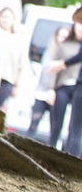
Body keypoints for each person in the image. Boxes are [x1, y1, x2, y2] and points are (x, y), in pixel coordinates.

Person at [46, 17, 82, 152]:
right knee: (61, 126)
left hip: (78, 86)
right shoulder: (65, 45)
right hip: (63, 87)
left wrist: (62, 64)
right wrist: (51, 88)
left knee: (76, 130)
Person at [27, 25, 70, 138]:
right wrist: (49, 89)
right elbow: (48, 72)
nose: (63, 39)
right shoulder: (49, 51)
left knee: (55, 127)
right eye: (61, 35)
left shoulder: (67, 54)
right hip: (43, 92)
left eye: (66, 36)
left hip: (58, 94)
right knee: (33, 124)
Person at [0, 6, 29, 110]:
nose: (5, 20)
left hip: (7, 79)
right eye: (3, 16)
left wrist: (17, 85)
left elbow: (21, 65)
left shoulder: (18, 40)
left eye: (8, 17)